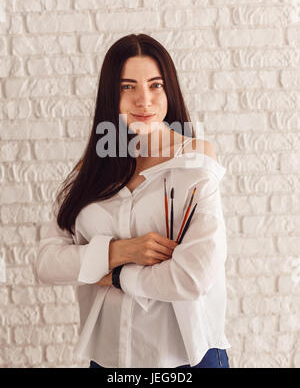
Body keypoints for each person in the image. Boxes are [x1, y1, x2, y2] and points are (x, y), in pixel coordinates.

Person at [36, 33, 231, 369]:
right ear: (112, 95)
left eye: (155, 85)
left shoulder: (194, 160)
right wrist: (120, 251)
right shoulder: (93, 169)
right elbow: (48, 264)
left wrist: (112, 275)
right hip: (111, 358)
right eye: (128, 87)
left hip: (185, 358)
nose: (144, 100)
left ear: (168, 89)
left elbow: (192, 277)